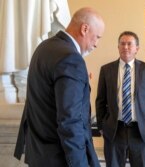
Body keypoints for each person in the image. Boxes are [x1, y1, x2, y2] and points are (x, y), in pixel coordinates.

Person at [14, 7, 105, 167]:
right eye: (97, 37)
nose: (96, 44)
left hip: (39, 156)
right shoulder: (71, 59)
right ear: (85, 29)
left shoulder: (43, 48)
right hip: (61, 160)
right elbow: (70, 121)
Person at [95, 31, 145, 167]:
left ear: (137, 48)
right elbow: (100, 101)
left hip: (140, 131)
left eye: (130, 44)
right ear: (118, 47)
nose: (126, 47)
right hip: (115, 131)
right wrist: (101, 125)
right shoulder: (106, 70)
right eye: (122, 44)